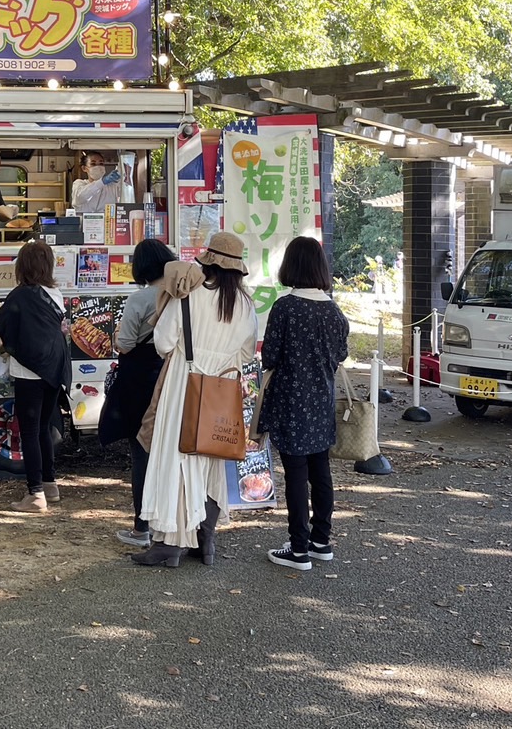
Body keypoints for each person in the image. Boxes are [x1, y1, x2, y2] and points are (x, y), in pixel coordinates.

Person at [133, 232, 257, 567]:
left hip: (183, 385)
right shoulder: (245, 304)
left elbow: (162, 342)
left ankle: (170, 543)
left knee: (177, 460)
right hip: (221, 389)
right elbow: (246, 353)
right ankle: (207, 540)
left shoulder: (188, 295)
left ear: (208, 262)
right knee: (211, 462)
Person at [253, 236, 349, 571]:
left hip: (291, 402)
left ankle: (298, 549)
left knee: (295, 472)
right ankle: (320, 540)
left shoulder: (286, 307)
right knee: (320, 469)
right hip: (321, 400)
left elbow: (270, 356)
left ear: (290, 266)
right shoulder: (334, 311)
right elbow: (340, 355)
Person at [101, 237, 177, 547]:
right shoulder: (179, 295)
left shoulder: (140, 299)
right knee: (171, 453)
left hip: (139, 381)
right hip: (171, 377)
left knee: (142, 452)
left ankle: (141, 528)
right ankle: (171, 525)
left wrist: (119, 338)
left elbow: (126, 344)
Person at [0, 239, 71, 512]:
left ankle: (35, 494)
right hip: (54, 370)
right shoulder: (54, 293)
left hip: (29, 372)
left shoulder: (20, 295)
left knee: (29, 430)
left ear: (22, 267)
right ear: (48, 265)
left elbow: (1, 323)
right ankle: (50, 485)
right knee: (44, 429)